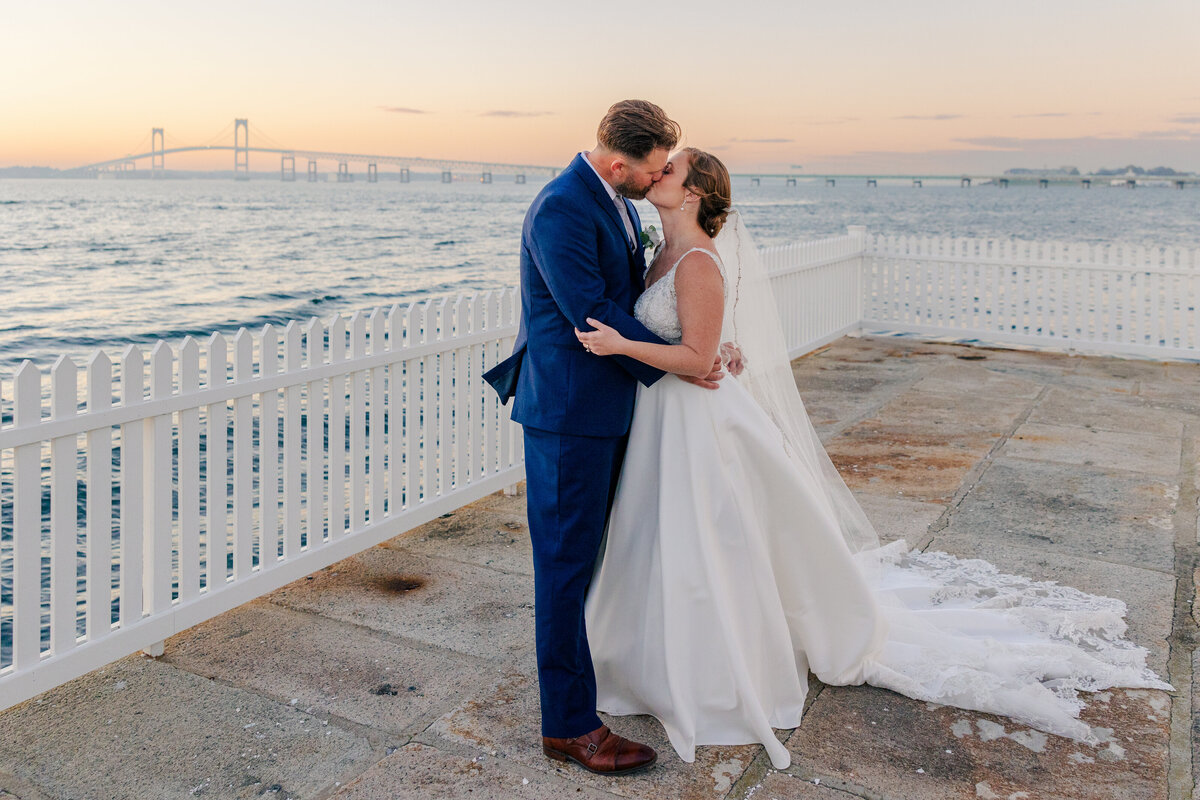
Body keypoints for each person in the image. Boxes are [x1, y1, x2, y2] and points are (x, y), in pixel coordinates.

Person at [574, 147, 1172, 770]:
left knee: (706, 539)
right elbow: (695, 340)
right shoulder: (662, 253)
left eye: (671, 169)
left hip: (694, 420)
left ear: (694, 193)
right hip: (667, 420)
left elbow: (696, 361)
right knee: (664, 534)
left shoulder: (698, 261)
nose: (657, 172)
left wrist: (625, 344)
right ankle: (648, 650)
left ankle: (711, 667)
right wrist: (713, 345)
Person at [482, 101, 732, 776]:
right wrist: (687, 362)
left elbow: (635, 297)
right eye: (653, 171)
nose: (657, 182)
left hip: (608, 409)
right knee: (563, 568)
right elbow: (591, 312)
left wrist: (699, 346)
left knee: (596, 558)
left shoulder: (615, 198)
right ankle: (568, 725)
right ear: (621, 163)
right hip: (568, 415)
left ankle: (603, 676)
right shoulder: (564, 207)